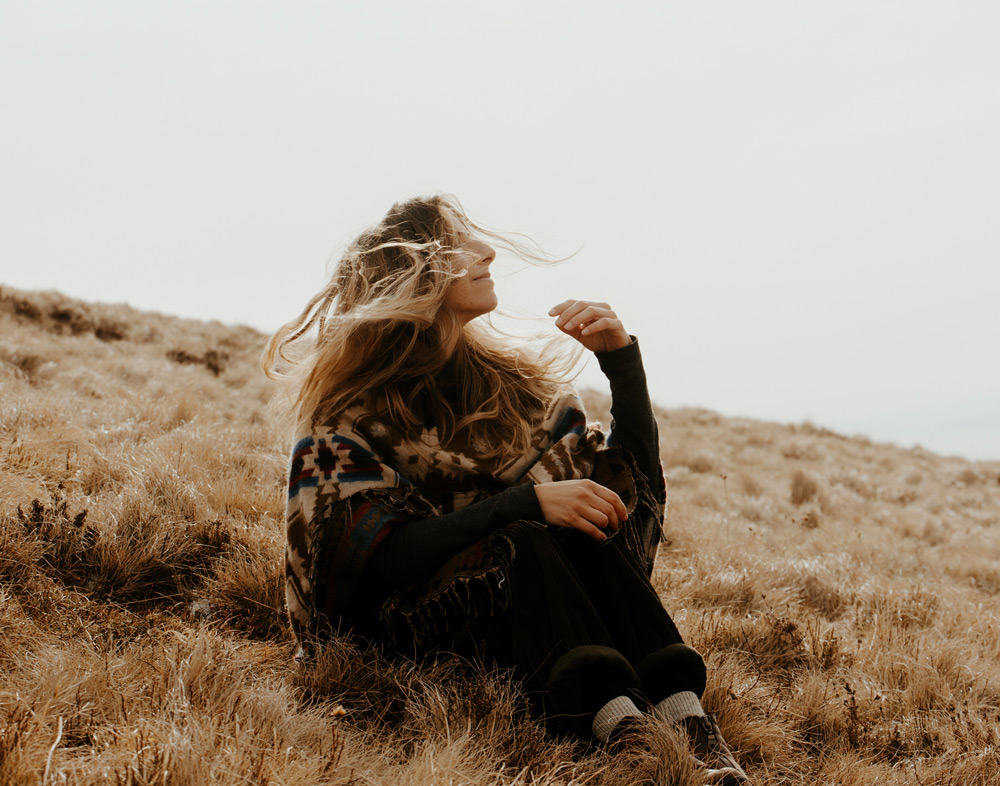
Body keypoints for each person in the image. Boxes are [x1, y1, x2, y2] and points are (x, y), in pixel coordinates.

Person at [262, 194, 749, 784]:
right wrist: (526, 503)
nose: (488, 250)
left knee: (577, 527)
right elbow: (379, 561)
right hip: (404, 638)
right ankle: (627, 738)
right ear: (412, 271)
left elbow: (624, 498)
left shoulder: (504, 391)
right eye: (459, 240)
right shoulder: (348, 414)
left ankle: (692, 732)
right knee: (528, 535)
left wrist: (623, 366)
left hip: (521, 616)